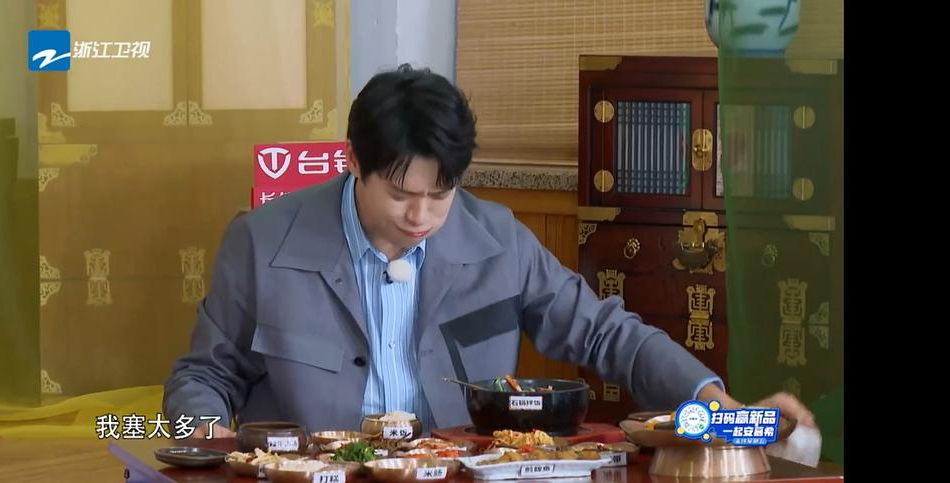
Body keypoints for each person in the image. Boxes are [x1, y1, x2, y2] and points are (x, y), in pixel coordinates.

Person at [163, 64, 816, 439]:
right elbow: (203, 378)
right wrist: (206, 434)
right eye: (400, 194)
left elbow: (604, 333)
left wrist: (712, 399)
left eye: (440, 194)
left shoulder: (499, 239)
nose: (421, 216)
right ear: (353, 161)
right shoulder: (262, 241)